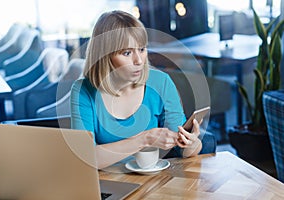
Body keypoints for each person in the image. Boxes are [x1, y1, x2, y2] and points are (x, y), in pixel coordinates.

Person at [70, 10, 204, 169]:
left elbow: (183, 150)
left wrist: (191, 143)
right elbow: (85, 158)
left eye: (142, 49)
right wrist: (144, 139)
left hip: (155, 182)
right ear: (104, 56)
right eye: (127, 53)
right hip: (109, 184)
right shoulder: (83, 91)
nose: (139, 60)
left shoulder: (161, 82)